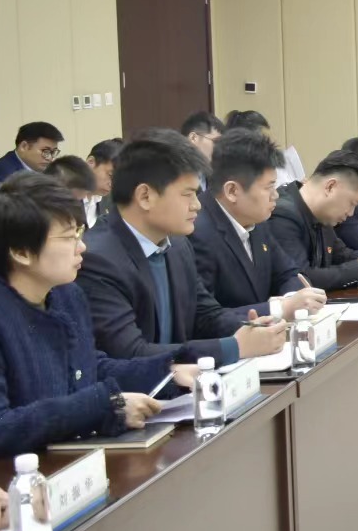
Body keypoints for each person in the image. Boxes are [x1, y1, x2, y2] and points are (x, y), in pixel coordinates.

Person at [0, 174, 195, 457]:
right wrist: (104, 406)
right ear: (21, 252)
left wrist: (167, 374)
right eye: (68, 237)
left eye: (79, 233)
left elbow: (88, 369)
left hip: (76, 461)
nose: (82, 246)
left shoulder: (66, 295)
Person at [75, 129, 286, 365]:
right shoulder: (98, 260)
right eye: (188, 195)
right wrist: (234, 347)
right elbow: (131, 352)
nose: (197, 205)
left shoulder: (177, 245)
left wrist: (249, 328)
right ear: (145, 196)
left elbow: (205, 314)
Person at [190, 129, 326, 320]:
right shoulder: (196, 231)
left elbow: (289, 273)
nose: (276, 195)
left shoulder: (256, 219)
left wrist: (294, 299)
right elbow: (204, 318)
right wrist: (280, 309)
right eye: (268, 187)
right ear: (232, 191)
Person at [270, 151, 358, 290]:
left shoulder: (323, 214)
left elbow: (343, 256)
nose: (351, 213)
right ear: (330, 187)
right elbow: (300, 277)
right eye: (352, 203)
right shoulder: (283, 215)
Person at [0, 122, 64, 185]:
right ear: (24, 146)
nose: (50, 158)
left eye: (53, 152)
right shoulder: (4, 175)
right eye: (46, 151)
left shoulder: (47, 171)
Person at [84, 138, 123, 229]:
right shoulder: (64, 196)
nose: (113, 184)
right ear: (91, 162)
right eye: (111, 175)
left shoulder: (112, 203)